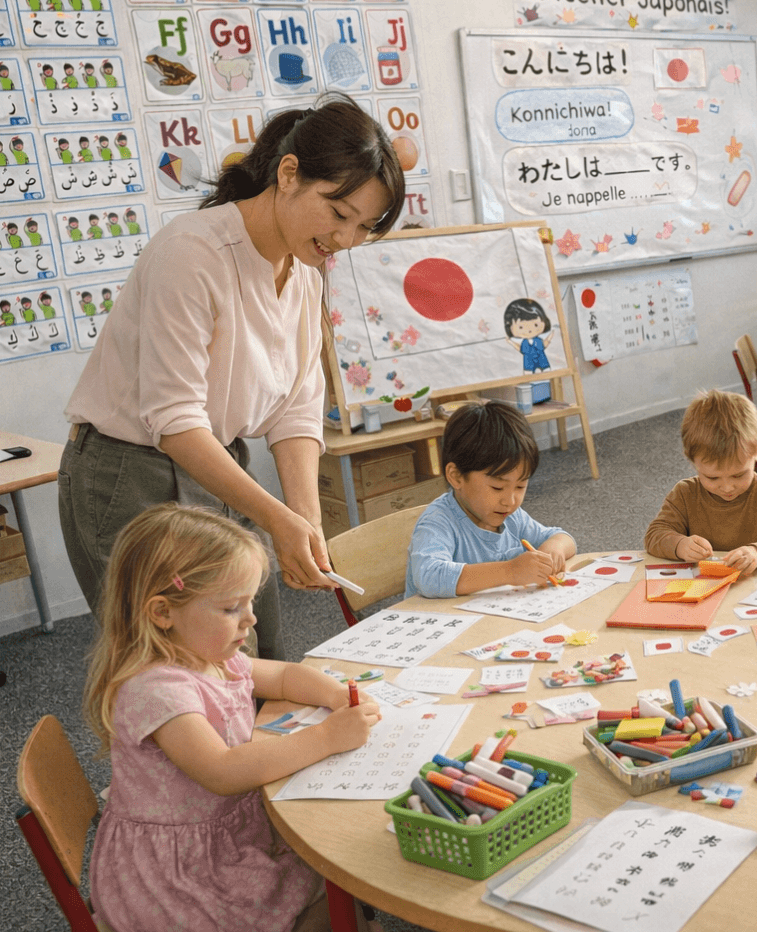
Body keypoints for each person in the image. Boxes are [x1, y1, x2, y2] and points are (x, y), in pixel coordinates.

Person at [60, 92, 405, 658]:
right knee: (185, 669)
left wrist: (304, 520)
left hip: (216, 465)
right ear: (288, 173)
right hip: (129, 474)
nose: (345, 240)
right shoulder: (193, 252)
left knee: (255, 651)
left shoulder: (304, 267)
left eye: (364, 226)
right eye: (339, 214)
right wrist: (276, 517)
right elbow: (173, 421)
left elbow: (297, 408)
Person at [82, 505, 383, 932]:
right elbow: (221, 773)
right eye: (230, 608)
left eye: (249, 603)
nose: (251, 619)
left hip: (223, 829)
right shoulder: (156, 688)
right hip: (179, 871)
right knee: (327, 875)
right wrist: (327, 738)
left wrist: (334, 695)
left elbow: (281, 675)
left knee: (332, 869)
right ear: (163, 613)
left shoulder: (212, 656)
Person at [406, 400, 576, 598]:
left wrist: (553, 549)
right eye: (497, 487)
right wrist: (510, 571)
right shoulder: (439, 521)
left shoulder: (512, 517)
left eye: (520, 486)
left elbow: (563, 537)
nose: (510, 501)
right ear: (456, 476)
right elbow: (429, 576)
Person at [645, 390, 757, 574]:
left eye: (739, 475)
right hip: (702, 588)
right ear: (693, 462)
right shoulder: (685, 493)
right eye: (712, 477)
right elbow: (655, 535)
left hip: (753, 588)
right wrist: (680, 545)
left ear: (756, 453)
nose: (727, 488)